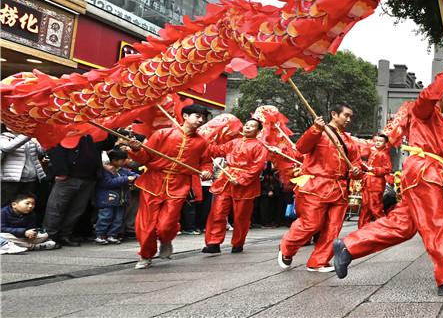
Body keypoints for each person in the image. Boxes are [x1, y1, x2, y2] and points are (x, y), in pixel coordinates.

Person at [332, 60, 443, 296]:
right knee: (437, 223)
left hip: (425, 172)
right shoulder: (420, 110)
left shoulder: (441, 121)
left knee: (402, 225)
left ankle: (348, 246)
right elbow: (427, 98)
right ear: (442, 98)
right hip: (423, 171)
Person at [126, 104, 213, 269]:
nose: (201, 120)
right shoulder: (162, 134)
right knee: (146, 225)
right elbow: (145, 158)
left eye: (203, 117)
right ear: (185, 116)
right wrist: (136, 150)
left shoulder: (202, 142)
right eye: (197, 116)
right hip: (153, 182)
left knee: (167, 224)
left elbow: (206, 162)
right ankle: (145, 255)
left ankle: (166, 240)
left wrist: (207, 171)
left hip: (179, 185)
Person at [278, 104, 363, 272]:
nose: (348, 119)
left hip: (339, 189)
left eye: (350, 116)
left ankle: (319, 261)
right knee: (311, 224)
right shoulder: (319, 131)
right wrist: (315, 129)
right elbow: (301, 148)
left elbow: (356, 163)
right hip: (316, 186)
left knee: (333, 228)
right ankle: (287, 247)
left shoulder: (348, 140)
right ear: (334, 114)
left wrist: (356, 170)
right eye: (346, 115)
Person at [202, 118, 269, 254]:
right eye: (247, 125)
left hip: (245, 184)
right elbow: (216, 150)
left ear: (258, 131)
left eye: (252, 126)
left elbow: (258, 166)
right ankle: (213, 243)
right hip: (226, 179)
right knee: (218, 212)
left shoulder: (260, 146)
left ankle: (238, 243)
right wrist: (206, 139)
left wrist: (241, 179)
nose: (247, 128)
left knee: (241, 216)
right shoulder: (234, 142)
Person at [42, 133, 116, 247]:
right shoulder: (67, 128)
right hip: (69, 176)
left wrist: (112, 129)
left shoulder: (95, 130)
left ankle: (65, 235)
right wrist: (61, 172)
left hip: (89, 177)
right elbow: (55, 149)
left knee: (77, 209)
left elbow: (106, 144)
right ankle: (49, 236)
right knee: (57, 208)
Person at [94, 150, 138, 245]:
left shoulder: (123, 171)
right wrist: (126, 179)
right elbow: (108, 183)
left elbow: (134, 175)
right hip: (107, 199)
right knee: (105, 217)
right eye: (122, 160)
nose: (125, 162)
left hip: (121, 200)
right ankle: (100, 235)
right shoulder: (105, 171)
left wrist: (137, 177)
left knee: (118, 219)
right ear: (114, 160)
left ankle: (112, 235)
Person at [1, 127, 47, 208]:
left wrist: (43, 140)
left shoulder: (29, 138)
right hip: (11, 180)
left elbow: (41, 152)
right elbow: (7, 147)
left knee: (28, 206)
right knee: (7, 205)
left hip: (30, 179)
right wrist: (27, 134)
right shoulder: (4, 137)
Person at [358, 133, 392, 228]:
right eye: (376, 141)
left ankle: (385, 228)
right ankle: (362, 228)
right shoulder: (373, 152)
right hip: (368, 182)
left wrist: (372, 169)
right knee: (365, 207)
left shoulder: (384, 154)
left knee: (375, 207)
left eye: (380, 141)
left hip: (376, 184)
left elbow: (387, 169)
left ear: (385, 144)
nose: (377, 143)